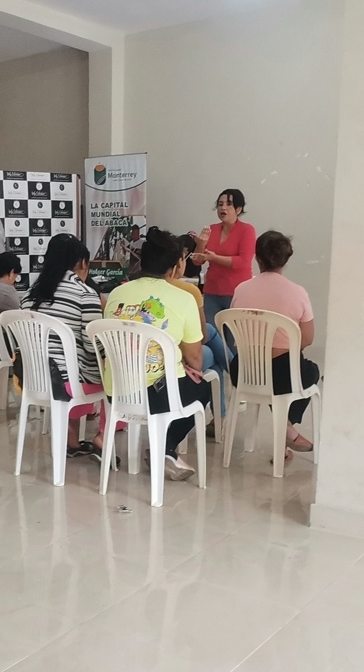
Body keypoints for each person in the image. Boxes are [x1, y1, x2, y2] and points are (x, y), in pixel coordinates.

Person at [105, 229, 212, 481]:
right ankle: (165, 448)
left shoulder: (117, 294)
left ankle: (164, 451)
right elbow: (196, 359)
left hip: (117, 391)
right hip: (157, 396)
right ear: (176, 267)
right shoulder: (184, 298)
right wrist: (182, 364)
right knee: (202, 388)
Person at [230, 230, 320, 461]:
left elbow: (233, 328)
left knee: (280, 373)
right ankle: (287, 427)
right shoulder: (298, 293)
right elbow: (307, 338)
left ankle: (286, 429)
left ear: (257, 258)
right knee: (311, 371)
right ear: (286, 259)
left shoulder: (241, 289)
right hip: (283, 376)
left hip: (243, 371)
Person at [22, 234, 109, 457]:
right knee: (115, 378)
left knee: (72, 363)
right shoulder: (85, 294)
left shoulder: (29, 295)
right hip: (66, 384)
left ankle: (72, 442)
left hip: (32, 379)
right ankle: (104, 437)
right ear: (81, 263)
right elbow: (91, 347)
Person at [172, 234, 227, 425]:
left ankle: (220, 418)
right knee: (212, 348)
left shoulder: (125, 290)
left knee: (211, 337)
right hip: (177, 363)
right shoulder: (189, 291)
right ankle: (237, 371)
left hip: (140, 365)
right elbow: (200, 338)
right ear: (178, 263)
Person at [193, 188, 256, 326]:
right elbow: (197, 261)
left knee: (234, 335)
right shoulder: (212, 229)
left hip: (236, 292)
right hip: (212, 291)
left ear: (238, 209)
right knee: (211, 333)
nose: (223, 208)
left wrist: (214, 258)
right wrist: (201, 243)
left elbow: (244, 262)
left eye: (228, 204)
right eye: (220, 204)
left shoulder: (247, 230)